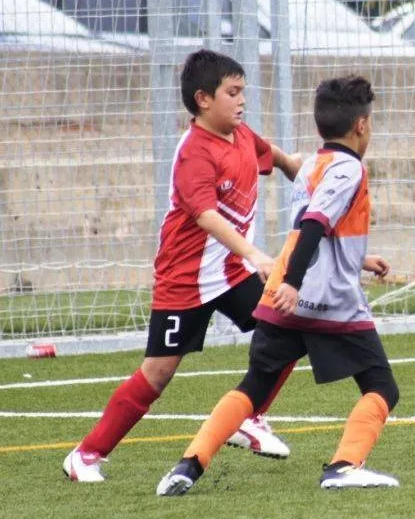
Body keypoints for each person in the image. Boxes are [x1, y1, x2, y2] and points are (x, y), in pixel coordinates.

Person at [63, 49, 302, 482]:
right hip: (185, 280)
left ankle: (250, 418)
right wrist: (254, 253)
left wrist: (301, 169)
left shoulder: (242, 135)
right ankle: (85, 456)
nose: (241, 100)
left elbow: (275, 156)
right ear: (203, 99)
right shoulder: (195, 152)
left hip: (229, 274)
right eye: (232, 92)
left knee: (290, 324)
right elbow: (206, 216)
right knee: (157, 375)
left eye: (243, 91)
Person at [156, 74, 400, 496]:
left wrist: (357, 260)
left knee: (254, 385)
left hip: (282, 300)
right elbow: (314, 224)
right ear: (362, 125)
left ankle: (187, 466)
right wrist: (293, 281)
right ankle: (343, 466)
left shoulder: (312, 165)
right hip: (326, 301)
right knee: (381, 387)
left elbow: (318, 233)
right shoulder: (348, 168)